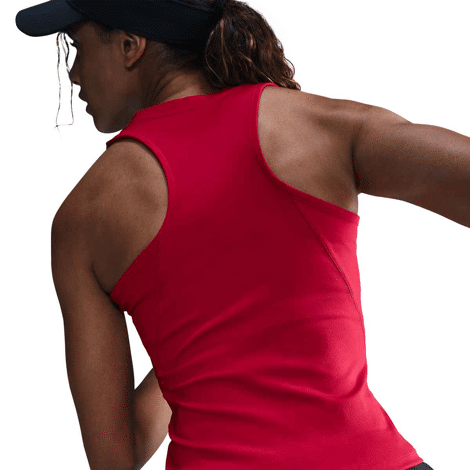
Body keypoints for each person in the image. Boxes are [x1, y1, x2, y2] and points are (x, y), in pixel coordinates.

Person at [18, 1, 470, 469]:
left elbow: (116, 457)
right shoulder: (317, 127)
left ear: (131, 46)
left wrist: (198, 348)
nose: (74, 73)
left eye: (77, 46)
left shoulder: (83, 216)